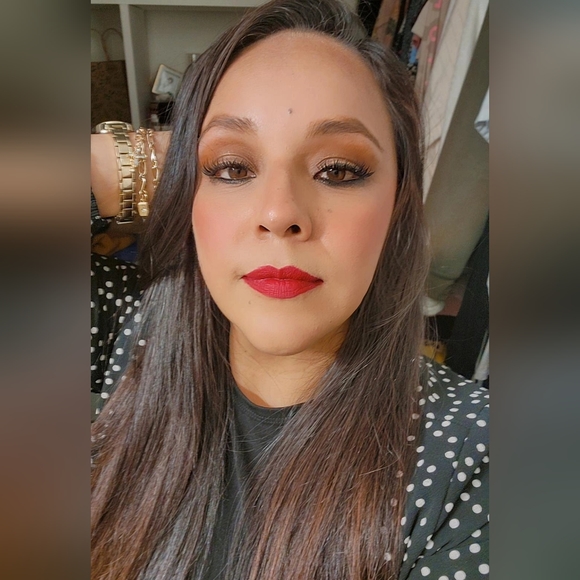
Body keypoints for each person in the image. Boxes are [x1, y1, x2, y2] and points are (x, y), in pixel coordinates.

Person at [90, 1, 489, 579]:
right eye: (231, 168)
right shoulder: (125, 340)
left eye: (339, 170)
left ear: (398, 206)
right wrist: (143, 163)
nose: (279, 213)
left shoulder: (480, 461)